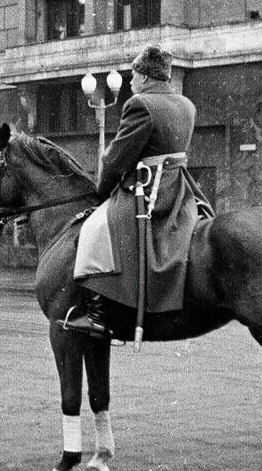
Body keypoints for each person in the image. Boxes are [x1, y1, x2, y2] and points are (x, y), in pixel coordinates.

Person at [65, 45, 209, 336]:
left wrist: (101, 193)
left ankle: (97, 314)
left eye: (133, 75)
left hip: (148, 189)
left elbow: (117, 159)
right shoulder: (186, 105)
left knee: (93, 229)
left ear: (144, 76)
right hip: (180, 189)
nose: (130, 81)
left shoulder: (141, 104)